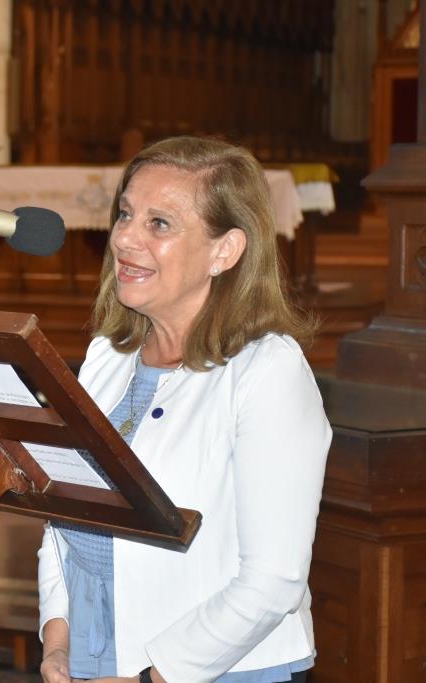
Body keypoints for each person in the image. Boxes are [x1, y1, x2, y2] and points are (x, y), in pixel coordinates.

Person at [38, 136, 332, 683]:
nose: (124, 238)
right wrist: (59, 637)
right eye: (126, 214)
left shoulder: (268, 372)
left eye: (160, 224)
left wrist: (153, 678)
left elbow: (274, 580)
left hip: (217, 671)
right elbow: (66, 516)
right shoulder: (106, 356)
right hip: (96, 656)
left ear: (225, 251)